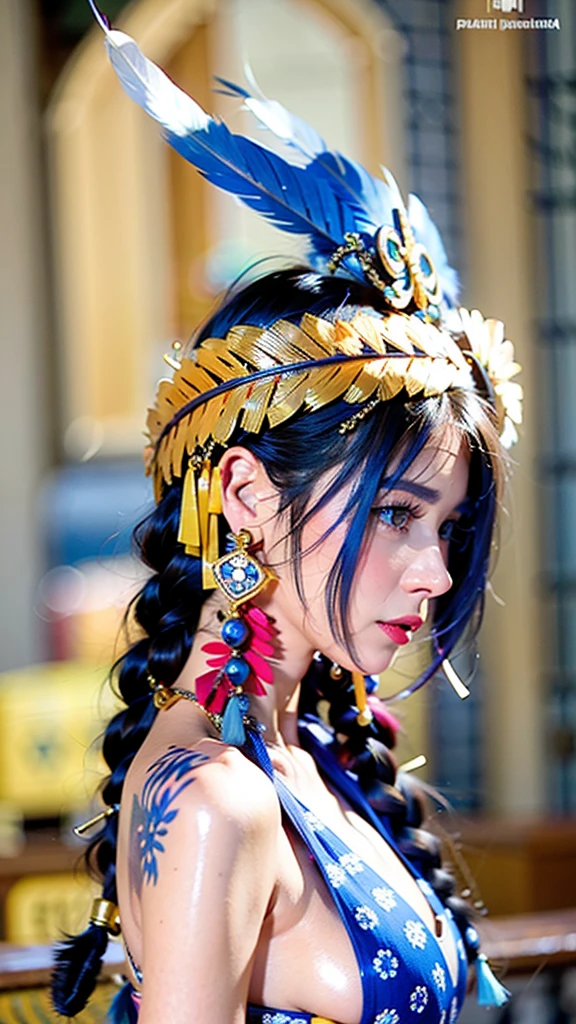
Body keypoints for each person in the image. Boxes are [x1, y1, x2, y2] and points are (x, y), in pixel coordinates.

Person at [52, 6, 522, 1023]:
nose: (437, 572)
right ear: (249, 496)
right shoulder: (211, 798)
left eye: (445, 528)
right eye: (397, 513)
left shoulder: (304, 754)